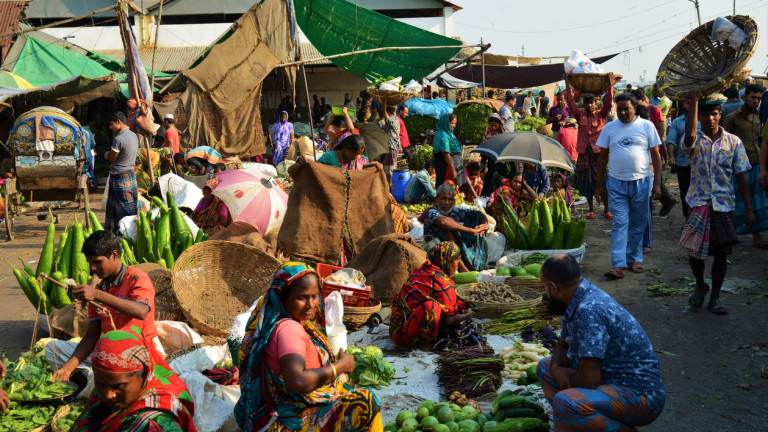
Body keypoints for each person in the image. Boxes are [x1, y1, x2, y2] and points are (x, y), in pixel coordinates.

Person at [235, 263, 382, 432]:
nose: (311, 304)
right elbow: (297, 381)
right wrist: (340, 367)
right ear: (283, 298)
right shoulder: (289, 330)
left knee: (344, 384)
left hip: (285, 412)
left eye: (314, 296)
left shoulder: (289, 323)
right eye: (302, 297)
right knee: (366, 402)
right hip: (291, 423)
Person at [536, 254, 665, 431]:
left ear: (553, 287)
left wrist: (564, 378)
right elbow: (564, 343)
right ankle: (585, 421)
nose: (546, 295)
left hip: (641, 395)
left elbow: (589, 380)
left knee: (565, 403)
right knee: (545, 367)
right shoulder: (575, 296)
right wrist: (557, 369)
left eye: (545, 289)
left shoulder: (590, 310)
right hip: (608, 380)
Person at [680, 90, 755, 315]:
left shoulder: (733, 142)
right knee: (694, 254)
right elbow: (690, 135)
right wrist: (693, 101)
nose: (709, 118)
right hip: (698, 203)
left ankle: (715, 297)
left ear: (720, 114)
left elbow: (741, 176)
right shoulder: (692, 141)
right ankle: (701, 285)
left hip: (723, 205)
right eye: (705, 114)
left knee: (721, 254)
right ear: (699, 116)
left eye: (713, 114)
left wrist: (749, 209)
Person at [48, 231, 159, 382]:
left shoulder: (137, 279)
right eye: (89, 263)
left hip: (138, 351)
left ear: (114, 255)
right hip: (110, 350)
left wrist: (98, 296)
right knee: (52, 349)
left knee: (105, 377)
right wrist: (66, 369)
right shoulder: (100, 288)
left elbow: (141, 311)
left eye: (97, 262)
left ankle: (92, 378)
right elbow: (92, 336)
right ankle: (87, 376)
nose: (92, 268)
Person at [70, 327, 197, 432]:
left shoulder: (157, 423)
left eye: (119, 386)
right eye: (100, 384)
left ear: (144, 375)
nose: (109, 395)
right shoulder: (103, 392)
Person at [595, 92, 663, 279]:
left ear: (635, 108)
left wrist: (657, 183)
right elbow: (602, 158)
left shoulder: (646, 126)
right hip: (616, 183)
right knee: (620, 223)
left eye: (627, 108)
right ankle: (617, 264)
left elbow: (656, 157)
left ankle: (635, 258)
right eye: (620, 109)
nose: (623, 112)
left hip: (641, 182)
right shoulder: (609, 128)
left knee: (637, 223)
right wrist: (599, 185)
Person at [390, 242, 474, 346]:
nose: (457, 267)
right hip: (402, 334)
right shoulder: (440, 281)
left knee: (457, 304)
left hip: (409, 323)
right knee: (432, 307)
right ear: (448, 262)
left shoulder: (427, 269)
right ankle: (426, 346)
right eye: (457, 261)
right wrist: (468, 315)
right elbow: (449, 320)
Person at [723, 84, 768, 247]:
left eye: (758, 99)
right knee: (740, 201)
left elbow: (762, 141)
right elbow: (724, 143)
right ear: (745, 97)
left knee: (757, 201)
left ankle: (756, 235)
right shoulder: (732, 118)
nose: (756, 101)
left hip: (756, 165)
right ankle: (730, 234)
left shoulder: (759, 117)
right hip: (739, 168)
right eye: (753, 98)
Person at [565, 76, 613, 219]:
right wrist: (567, 84)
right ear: (584, 104)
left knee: (603, 181)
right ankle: (591, 209)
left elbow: (609, 103)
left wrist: (610, 86)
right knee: (587, 183)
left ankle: (606, 210)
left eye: (592, 103)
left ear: (596, 104)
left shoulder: (602, 115)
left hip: (599, 154)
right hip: (585, 153)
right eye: (587, 103)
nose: (589, 105)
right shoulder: (579, 116)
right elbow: (570, 102)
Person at [421, 183, 489, 271]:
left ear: (453, 201)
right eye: (443, 199)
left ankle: (476, 262)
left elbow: (477, 213)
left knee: (474, 218)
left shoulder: (454, 210)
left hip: (452, 249)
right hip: (435, 249)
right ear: (436, 199)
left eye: (450, 200)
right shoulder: (431, 212)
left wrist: (484, 223)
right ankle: (460, 265)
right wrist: (469, 230)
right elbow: (443, 221)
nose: (446, 203)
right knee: (449, 229)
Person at [103, 111, 139, 234]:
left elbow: (113, 158)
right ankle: (118, 232)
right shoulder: (133, 135)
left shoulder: (118, 139)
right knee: (125, 204)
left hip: (120, 176)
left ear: (119, 122)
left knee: (124, 206)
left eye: (111, 124)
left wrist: (107, 155)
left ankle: (127, 231)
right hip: (130, 174)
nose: (110, 127)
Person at [666, 99, 700, 218]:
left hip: (702, 163)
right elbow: (670, 140)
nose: (689, 104)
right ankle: (688, 218)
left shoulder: (705, 119)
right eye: (687, 102)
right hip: (683, 162)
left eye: (692, 101)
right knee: (685, 192)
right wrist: (671, 156)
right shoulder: (677, 122)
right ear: (683, 104)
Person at [433, 114, 476, 199]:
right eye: (452, 123)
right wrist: (453, 170)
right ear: (446, 122)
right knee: (443, 184)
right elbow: (446, 153)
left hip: (453, 163)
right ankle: (439, 203)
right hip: (445, 164)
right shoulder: (442, 134)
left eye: (455, 124)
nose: (454, 126)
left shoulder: (449, 134)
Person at [311, 134, 379, 171]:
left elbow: (359, 167)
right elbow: (315, 169)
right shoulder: (330, 156)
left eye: (358, 154)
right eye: (355, 153)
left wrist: (372, 165)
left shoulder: (356, 158)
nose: (356, 157)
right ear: (346, 148)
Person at [379, 102, 401, 188]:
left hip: (392, 148)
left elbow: (385, 114)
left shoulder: (394, 120)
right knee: (385, 169)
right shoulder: (388, 121)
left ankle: (389, 189)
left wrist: (384, 100)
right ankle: (385, 187)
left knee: (390, 170)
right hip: (386, 147)